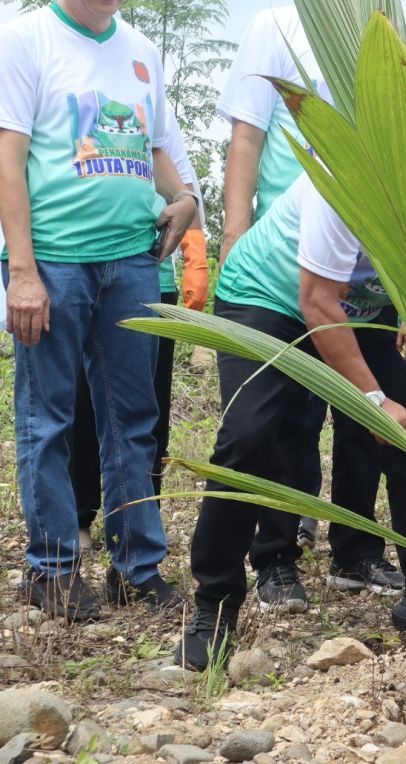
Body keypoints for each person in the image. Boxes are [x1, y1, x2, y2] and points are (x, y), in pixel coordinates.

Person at [176, 67, 406, 669]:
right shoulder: (349, 176)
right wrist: (375, 403)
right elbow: (315, 301)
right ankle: (214, 604)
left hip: (358, 307)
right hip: (268, 298)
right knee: (251, 438)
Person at [0, 0, 197, 620]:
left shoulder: (141, 50)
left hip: (132, 260)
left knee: (134, 419)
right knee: (48, 419)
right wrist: (23, 271)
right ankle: (52, 570)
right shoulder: (24, 38)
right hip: (54, 262)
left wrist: (186, 196)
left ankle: (136, 569)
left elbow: (156, 148)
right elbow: (8, 158)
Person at [216, 4, 340, 606]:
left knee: (301, 420)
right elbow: (248, 134)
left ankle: (278, 557)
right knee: (255, 420)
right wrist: (235, 236)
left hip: (331, 259)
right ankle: (246, 558)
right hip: (272, 253)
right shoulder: (276, 24)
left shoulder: (380, 21)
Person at [71, 112, 209, 552]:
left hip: (150, 275)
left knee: (147, 411)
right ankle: (78, 516)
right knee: (82, 404)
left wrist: (196, 254)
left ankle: (140, 521)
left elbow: (185, 185)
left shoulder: (155, 112)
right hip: (85, 267)